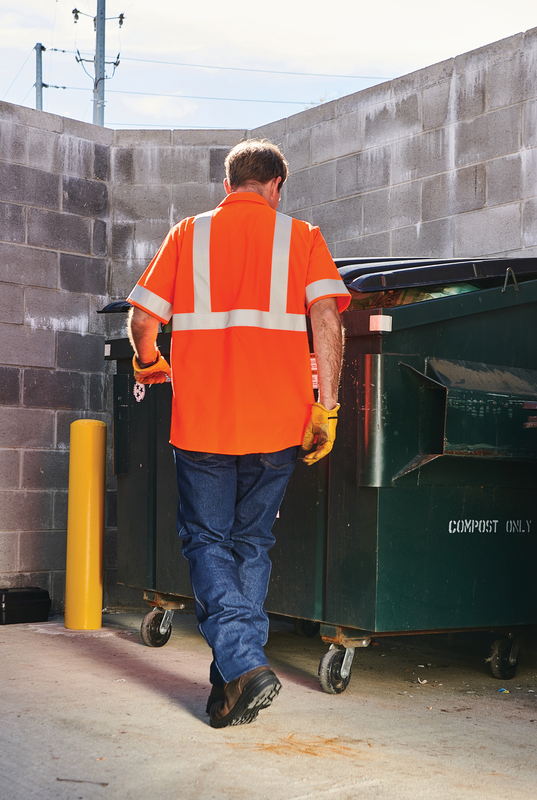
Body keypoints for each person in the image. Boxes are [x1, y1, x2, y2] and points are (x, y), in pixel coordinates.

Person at [126, 138, 350, 728]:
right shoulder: (302, 237)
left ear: (228, 186)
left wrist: (150, 362)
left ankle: (245, 666)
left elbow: (144, 319)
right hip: (279, 424)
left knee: (206, 541)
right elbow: (327, 319)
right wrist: (327, 407)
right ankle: (233, 681)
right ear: (276, 186)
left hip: (202, 423)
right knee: (250, 544)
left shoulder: (188, 234)